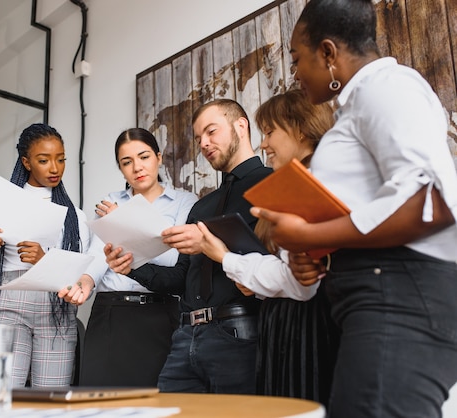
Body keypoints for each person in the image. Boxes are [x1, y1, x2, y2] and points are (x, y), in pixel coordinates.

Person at [250, 0, 457, 416]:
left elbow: (429, 201)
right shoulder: (358, 105)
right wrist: (320, 257)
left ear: (328, 53)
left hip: (400, 298)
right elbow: (375, 210)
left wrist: (310, 237)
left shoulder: (389, 86)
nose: (294, 73)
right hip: (375, 298)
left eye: (296, 60)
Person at [105, 99, 272, 394]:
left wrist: (213, 247)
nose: (204, 144)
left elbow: (281, 267)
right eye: (198, 138)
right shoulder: (203, 206)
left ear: (241, 126)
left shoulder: (274, 185)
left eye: (211, 132)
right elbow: (181, 280)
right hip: (185, 337)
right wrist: (131, 265)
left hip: (241, 332)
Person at [196, 89, 340, 407]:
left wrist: (226, 258)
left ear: (300, 128)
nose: (264, 144)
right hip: (283, 325)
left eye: (270, 132)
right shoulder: (296, 182)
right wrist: (257, 286)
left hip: (306, 329)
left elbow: (298, 282)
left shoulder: (311, 185)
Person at [0, 123, 107, 388]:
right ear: (26, 162)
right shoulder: (0, 203)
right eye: (44, 160)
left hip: (56, 311)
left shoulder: (75, 216)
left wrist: (44, 259)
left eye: (61, 159)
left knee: (51, 400)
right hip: (8, 304)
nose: (55, 168)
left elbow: (76, 281)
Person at [80, 128, 198, 387]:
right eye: (127, 162)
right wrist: (85, 281)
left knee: (157, 404)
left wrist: (125, 224)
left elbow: (172, 261)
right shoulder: (111, 201)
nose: (137, 167)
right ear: (120, 169)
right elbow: (99, 255)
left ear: (158, 157)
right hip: (111, 313)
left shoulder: (185, 202)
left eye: (144, 157)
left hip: (160, 314)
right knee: (101, 404)